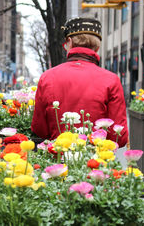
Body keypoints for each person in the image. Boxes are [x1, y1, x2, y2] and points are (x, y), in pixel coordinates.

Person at [31, 17, 128, 148]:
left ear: (69, 42)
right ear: (98, 47)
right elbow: (119, 137)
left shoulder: (47, 77)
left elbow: (39, 129)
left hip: (57, 159)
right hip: (97, 161)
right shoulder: (111, 80)